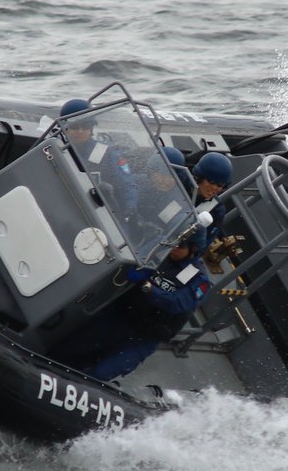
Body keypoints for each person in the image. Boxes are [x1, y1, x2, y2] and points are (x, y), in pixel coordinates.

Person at [65, 238, 212, 382]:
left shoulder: (197, 278)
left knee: (101, 373)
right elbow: (132, 268)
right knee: (71, 349)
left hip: (145, 336)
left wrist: (150, 289)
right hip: (122, 317)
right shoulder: (160, 253)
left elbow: (177, 303)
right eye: (174, 242)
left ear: (193, 249)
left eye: (181, 245)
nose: (174, 247)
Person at [59, 98, 139, 217]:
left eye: (85, 126)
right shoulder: (56, 151)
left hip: (102, 213)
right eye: (75, 126)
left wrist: (130, 208)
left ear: (91, 129)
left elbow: (127, 184)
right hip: (67, 209)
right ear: (65, 128)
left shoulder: (107, 153)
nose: (80, 131)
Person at [188, 151, 233, 252]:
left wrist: (187, 251)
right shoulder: (179, 182)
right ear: (199, 177)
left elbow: (201, 246)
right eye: (211, 181)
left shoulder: (216, 210)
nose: (214, 188)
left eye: (220, 185)